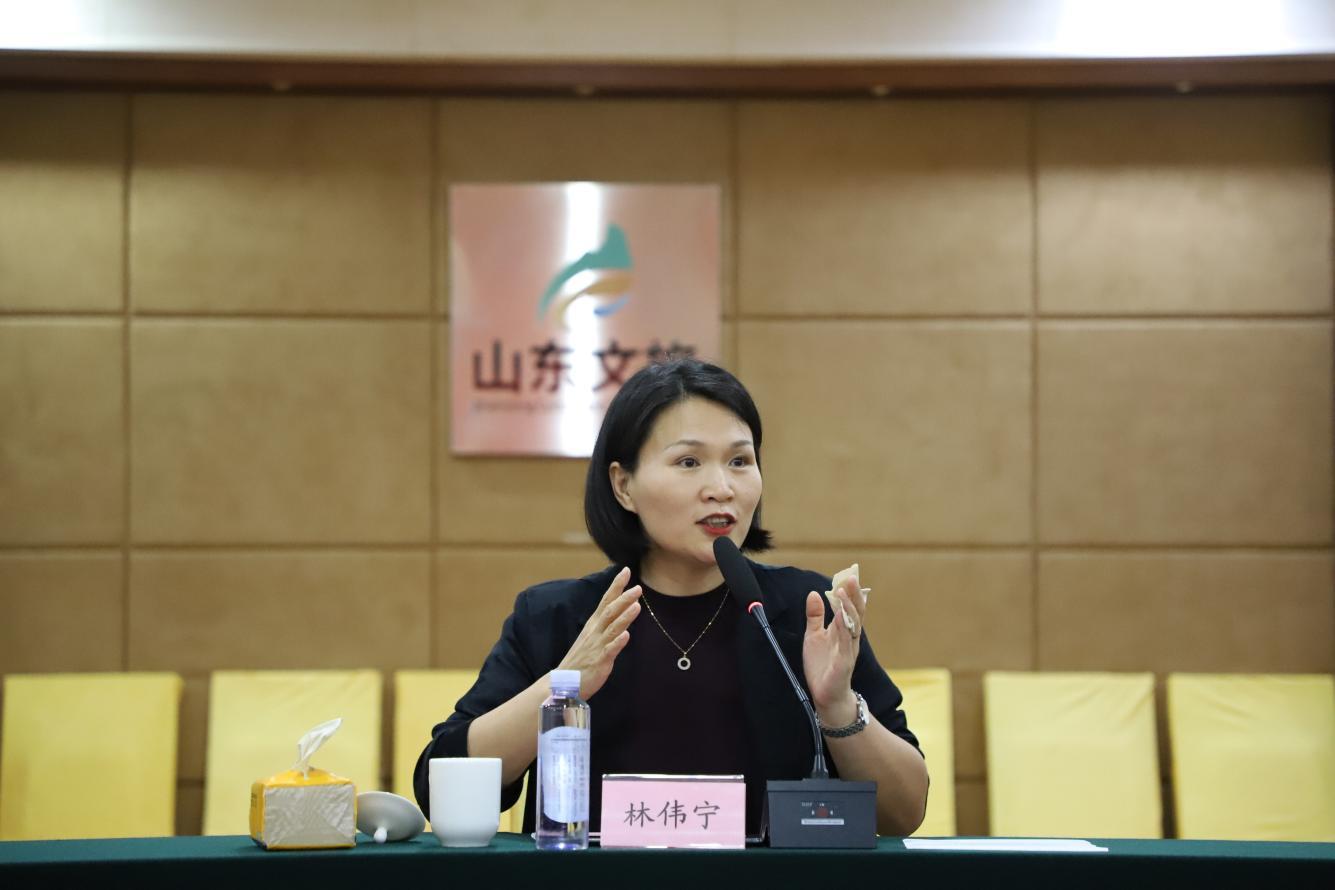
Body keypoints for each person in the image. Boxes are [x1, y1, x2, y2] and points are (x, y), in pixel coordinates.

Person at [414, 358, 928, 836]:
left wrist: (837, 706)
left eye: (740, 460)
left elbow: (904, 813)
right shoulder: (558, 618)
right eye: (688, 462)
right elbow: (439, 789)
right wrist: (563, 687)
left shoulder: (806, 612)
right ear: (623, 486)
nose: (721, 487)